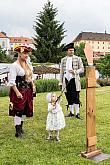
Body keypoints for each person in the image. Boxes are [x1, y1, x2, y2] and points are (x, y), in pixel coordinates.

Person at [8, 45, 36, 138]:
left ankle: (21, 128)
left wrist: (33, 85)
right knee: (18, 110)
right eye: (24, 53)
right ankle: (17, 131)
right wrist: (17, 92)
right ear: (19, 54)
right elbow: (12, 82)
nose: (26, 55)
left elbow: (30, 77)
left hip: (27, 90)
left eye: (27, 53)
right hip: (18, 90)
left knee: (24, 110)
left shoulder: (28, 64)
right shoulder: (14, 65)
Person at [59, 42, 84, 119]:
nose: (72, 52)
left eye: (73, 50)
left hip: (74, 80)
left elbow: (82, 69)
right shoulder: (63, 60)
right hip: (66, 79)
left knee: (75, 96)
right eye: (70, 50)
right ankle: (71, 112)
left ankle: (77, 113)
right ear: (67, 51)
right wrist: (60, 82)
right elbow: (61, 72)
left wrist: (75, 72)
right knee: (68, 96)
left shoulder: (78, 58)